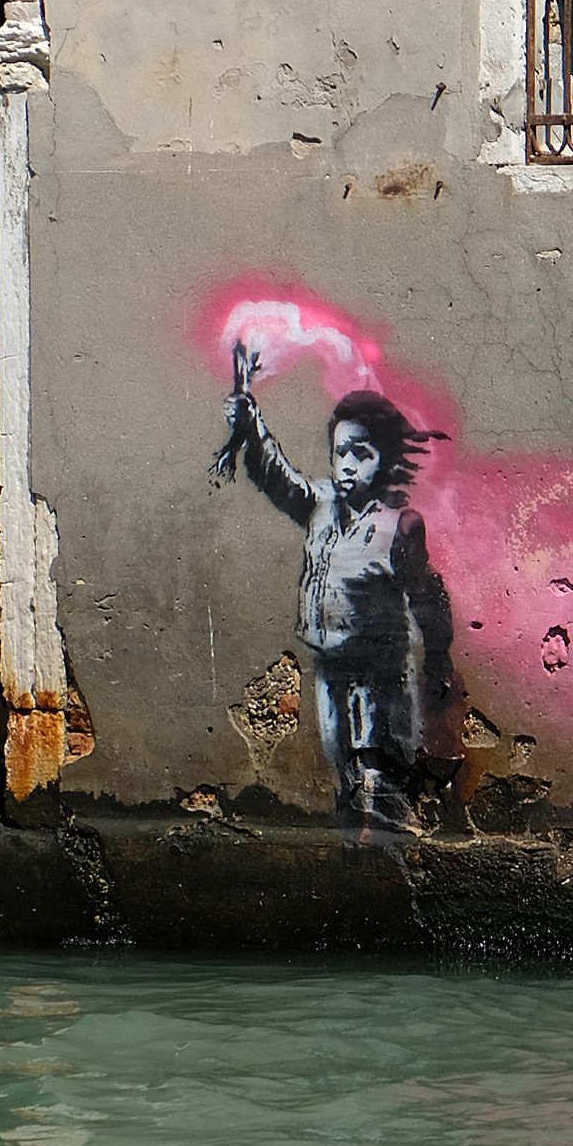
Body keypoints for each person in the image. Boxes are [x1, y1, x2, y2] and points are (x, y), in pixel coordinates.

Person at [215, 345, 460, 839]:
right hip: (327, 659)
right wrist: (251, 425)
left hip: (378, 665)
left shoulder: (399, 525)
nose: (347, 465)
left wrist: (439, 652)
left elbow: (427, 593)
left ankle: (392, 836)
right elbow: (277, 477)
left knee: (379, 758)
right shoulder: (320, 503)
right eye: (340, 452)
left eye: (361, 454)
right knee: (336, 752)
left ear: (386, 460)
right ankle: (351, 837)